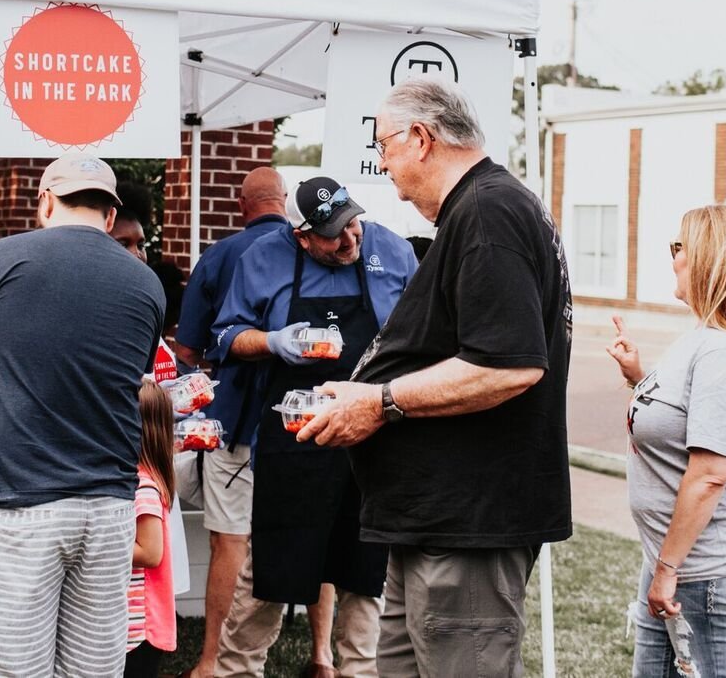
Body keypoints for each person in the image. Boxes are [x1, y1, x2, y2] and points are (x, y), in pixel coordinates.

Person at [299, 78, 573, 678]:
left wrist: (382, 401)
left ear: (420, 139)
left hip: (469, 524)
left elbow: (510, 364)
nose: (385, 167)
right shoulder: (483, 209)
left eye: (385, 146)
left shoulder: (488, 211)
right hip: (435, 519)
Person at [0, 156, 165, 678]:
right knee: (92, 671)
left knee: (7, 670)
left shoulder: (1, 259)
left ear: (46, 201)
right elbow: (118, 383)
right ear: (111, 212)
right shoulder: (146, 285)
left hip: (19, 502)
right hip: (108, 508)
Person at [209, 176, 415, 678]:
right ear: (302, 235)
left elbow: (419, 336)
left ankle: (357, 673)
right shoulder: (262, 258)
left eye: (353, 226)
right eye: (333, 235)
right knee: (271, 570)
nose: (349, 241)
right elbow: (225, 338)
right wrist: (273, 341)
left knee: (365, 577)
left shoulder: (392, 249)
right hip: (292, 441)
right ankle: (237, 670)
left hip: (372, 442)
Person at [606, 204, 726, 678]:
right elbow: (687, 423)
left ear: (713, 259)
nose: (673, 259)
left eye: (679, 247)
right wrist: (638, 378)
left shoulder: (724, 350)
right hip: (674, 558)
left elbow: (709, 474)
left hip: (707, 570)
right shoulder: (702, 338)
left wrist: (668, 570)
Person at [171, 167, 290, 678]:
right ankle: (327, 657)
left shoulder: (219, 256)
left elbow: (187, 349)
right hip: (305, 420)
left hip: (235, 420)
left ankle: (211, 660)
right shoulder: (314, 246)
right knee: (312, 531)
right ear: (283, 201)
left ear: (243, 207)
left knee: (231, 540)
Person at [126, 378, 177, 678]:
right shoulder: (145, 478)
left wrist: (99, 542)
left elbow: (150, 551)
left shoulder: (142, 485)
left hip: (137, 627)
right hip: (132, 626)